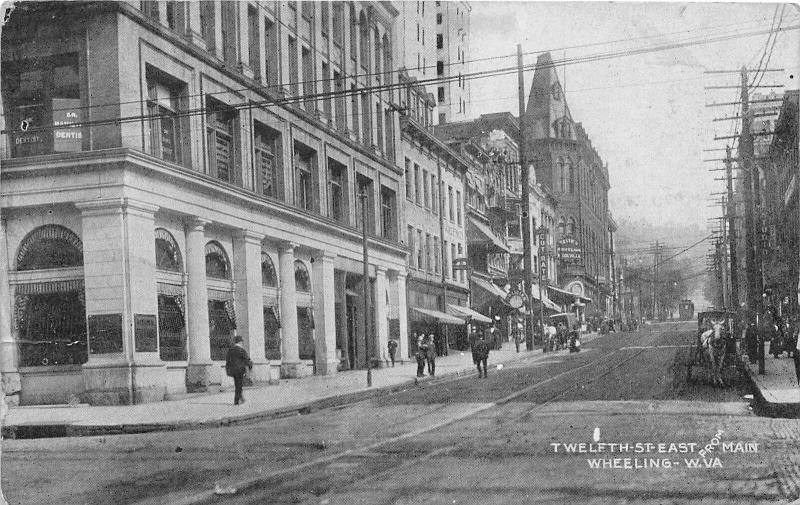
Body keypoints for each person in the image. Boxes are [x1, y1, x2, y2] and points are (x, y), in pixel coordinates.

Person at [225, 335, 252, 406]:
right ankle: (237, 401)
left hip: (233, 370)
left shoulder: (230, 350)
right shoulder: (241, 350)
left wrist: (228, 370)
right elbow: (247, 359)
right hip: (240, 370)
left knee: (237, 384)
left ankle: (240, 398)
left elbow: (227, 360)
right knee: (239, 385)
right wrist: (250, 367)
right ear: (240, 342)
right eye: (242, 341)